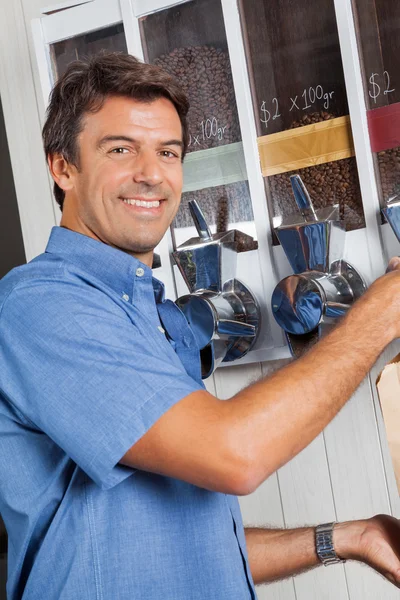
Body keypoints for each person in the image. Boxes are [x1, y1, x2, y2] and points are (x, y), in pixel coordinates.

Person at [1, 51, 400, 600]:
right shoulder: (41, 306)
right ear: (63, 167)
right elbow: (234, 455)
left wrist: (348, 538)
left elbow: (185, 546)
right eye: (120, 149)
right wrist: (378, 315)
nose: (151, 173)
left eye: (168, 151)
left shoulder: (146, 311)